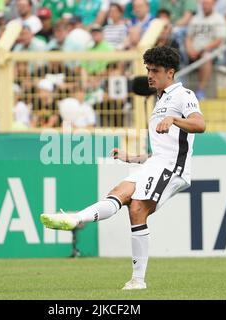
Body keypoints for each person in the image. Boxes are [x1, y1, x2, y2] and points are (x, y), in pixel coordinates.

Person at [40, 46, 206, 290]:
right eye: (148, 70)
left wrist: (174, 120)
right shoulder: (159, 100)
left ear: (170, 73)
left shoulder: (184, 95)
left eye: (155, 71)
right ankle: (77, 219)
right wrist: (133, 157)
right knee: (121, 191)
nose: (150, 75)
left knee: (137, 207)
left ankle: (138, 279)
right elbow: (163, 149)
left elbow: (199, 125)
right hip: (157, 163)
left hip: (173, 169)